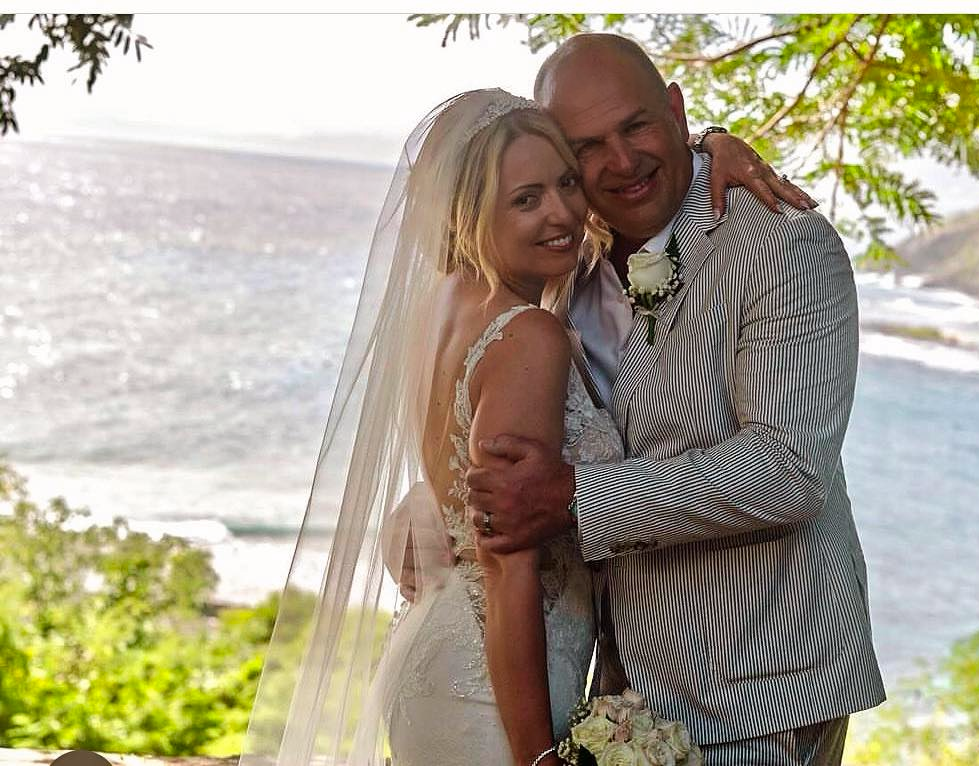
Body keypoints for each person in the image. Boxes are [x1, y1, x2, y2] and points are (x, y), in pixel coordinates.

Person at [238, 87, 803, 766]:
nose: (563, 212)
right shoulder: (528, 334)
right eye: (526, 200)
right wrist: (539, 757)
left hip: (432, 646)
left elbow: (454, 476)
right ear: (470, 210)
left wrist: (709, 145)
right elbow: (508, 566)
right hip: (494, 685)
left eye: (566, 183)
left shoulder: (440, 302)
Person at [467, 34, 885, 765]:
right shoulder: (567, 255)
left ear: (677, 109)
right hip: (621, 688)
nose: (622, 162)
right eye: (588, 146)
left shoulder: (785, 247)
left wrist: (574, 498)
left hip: (762, 686)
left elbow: (789, 469)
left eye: (636, 127)